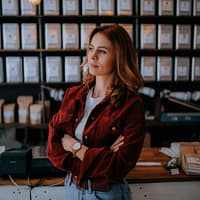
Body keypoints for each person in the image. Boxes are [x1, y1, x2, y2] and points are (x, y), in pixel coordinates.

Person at [47, 24, 146, 200]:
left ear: (119, 57)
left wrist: (75, 147)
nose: (92, 56)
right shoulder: (73, 95)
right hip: (71, 188)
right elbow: (54, 148)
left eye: (102, 51)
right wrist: (102, 153)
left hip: (106, 193)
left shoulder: (131, 105)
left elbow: (118, 166)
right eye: (91, 48)